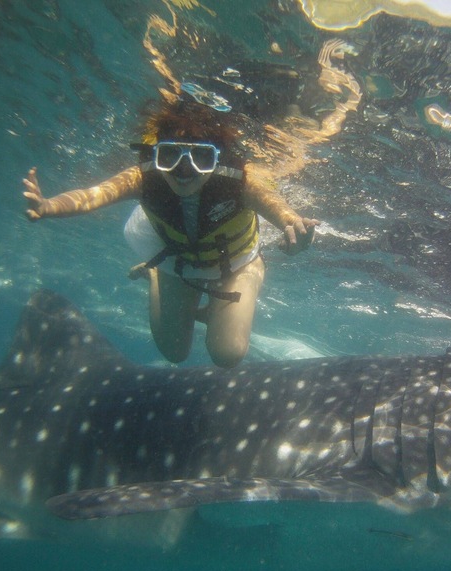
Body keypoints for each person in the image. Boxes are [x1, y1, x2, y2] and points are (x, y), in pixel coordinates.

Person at [23, 93, 319, 368]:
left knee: (227, 354)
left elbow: (284, 214)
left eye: (201, 158)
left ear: (217, 160)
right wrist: (49, 206)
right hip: (178, 261)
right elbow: (92, 196)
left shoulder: (241, 182)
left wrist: (296, 230)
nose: (184, 170)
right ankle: (156, 274)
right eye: (169, 156)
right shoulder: (141, 178)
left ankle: (221, 303)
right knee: (174, 352)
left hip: (238, 264)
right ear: (156, 155)